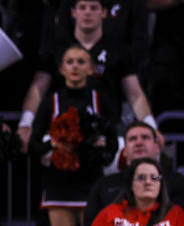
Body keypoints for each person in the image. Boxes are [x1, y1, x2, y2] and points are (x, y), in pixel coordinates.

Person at [29, 45, 118, 226]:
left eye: (81, 61)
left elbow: (113, 141)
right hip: (58, 186)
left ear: (91, 68)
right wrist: (55, 145)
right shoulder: (51, 101)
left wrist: (97, 146)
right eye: (70, 61)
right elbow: (33, 146)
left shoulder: (100, 99)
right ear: (62, 69)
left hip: (91, 186)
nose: (76, 66)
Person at [17, 0, 158, 152]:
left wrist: (151, 128)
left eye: (93, 7)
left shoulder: (119, 50)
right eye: (82, 7)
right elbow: (38, 87)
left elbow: (135, 94)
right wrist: (25, 123)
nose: (88, 12)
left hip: (105, 137)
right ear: (73, 12)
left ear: (104, 12)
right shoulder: (56, 49)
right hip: (61, 137)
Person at [85, 121, 184, 226]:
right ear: (125, 151)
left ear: (157, 148)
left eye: (145, 137)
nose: (139, 143)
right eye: (133, 139)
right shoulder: (104, 185)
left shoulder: (176, 182)